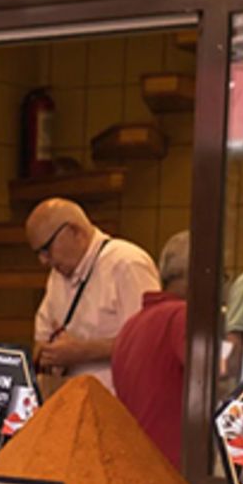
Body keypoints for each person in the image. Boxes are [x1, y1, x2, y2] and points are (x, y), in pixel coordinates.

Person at [27, 198, 161, 388]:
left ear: (74, 231)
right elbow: (42, 335)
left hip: (118, 404)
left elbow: (149, 342)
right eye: (38, 253)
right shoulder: (57, 274)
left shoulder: (127, 264)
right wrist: (47, 353)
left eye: (46, 249)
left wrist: (82, 351)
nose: (43, 261)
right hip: (71, 400)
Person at [111, 232, 189, 469]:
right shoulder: (182, 317)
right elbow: (219, 372)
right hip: (175, 471)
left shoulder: (131, 325)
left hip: (137, 463)